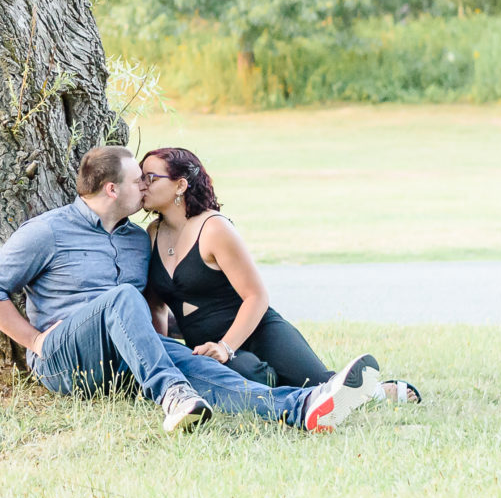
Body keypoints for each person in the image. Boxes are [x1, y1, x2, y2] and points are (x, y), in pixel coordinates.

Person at [0, 143, 384, 434]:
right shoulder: (48, 232)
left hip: (127, 360)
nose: (145, 188)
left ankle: (302, 407)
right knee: (122, 299)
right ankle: (171, 395)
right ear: (113, 189)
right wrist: (37, 341)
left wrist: (184, 346)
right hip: (63, 358)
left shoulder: (137, 239)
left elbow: (154, 309)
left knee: (193, 362)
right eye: (139, 180)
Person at [139, 145, 423, 405]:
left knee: (319, 384)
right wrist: (161, 361)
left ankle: (373, 392)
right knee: (255, 383)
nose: (142, 185)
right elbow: (157, 307)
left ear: (180, 185)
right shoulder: (152, 234)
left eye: (150, 177)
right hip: (207, 349)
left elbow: (256, 296)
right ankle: (286, 385)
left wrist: (226, 347)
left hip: (259, 331)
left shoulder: (214, 229)